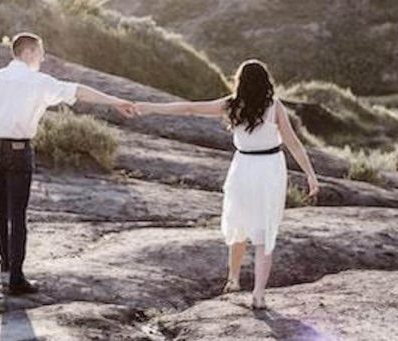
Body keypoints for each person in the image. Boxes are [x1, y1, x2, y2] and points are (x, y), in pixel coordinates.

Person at [135, 59, 320, 309]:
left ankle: (233, 279)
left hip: (243, 168)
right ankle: (258, 294)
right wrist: (310, 174)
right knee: (265, 230)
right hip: (269, 170)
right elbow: (294, 143)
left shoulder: (232, 104)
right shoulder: (274, 106)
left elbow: (189, 109)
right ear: (266, 81)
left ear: (240, 82)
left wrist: (147, 107)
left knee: (239, 222)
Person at [0, 32, 138, 295]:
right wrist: (115, 101)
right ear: (29, 52)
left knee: (0, 209)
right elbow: (79, 92)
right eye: (41, 53)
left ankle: (5, 266)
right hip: (18, 151)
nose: (43, 58)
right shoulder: (38, 81)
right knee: (17, 214)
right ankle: (17, 279)